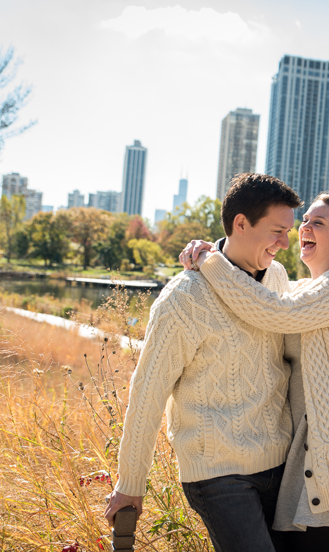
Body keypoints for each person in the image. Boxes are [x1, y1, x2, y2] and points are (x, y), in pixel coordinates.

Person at [104, 173, 303, 552]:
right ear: (241, 224)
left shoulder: (277, 277)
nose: (284, 243)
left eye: (288, 232)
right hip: (218, 472)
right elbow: (148, 393)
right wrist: (130, 484)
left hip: (280, 465)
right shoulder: (185, 297)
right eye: (277, 231)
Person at [184, 194, 329, 552]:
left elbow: (274, 312)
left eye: (318, 223)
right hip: (309, 443)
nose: (304, 227)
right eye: (305, 220)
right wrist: (216, 250)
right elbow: (261, 292)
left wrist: (211, 261)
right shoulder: (306, 290)